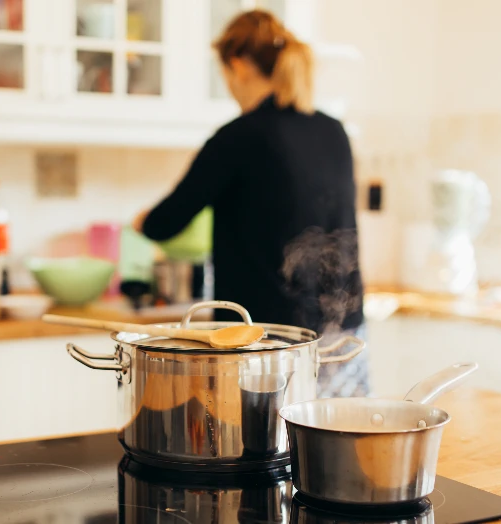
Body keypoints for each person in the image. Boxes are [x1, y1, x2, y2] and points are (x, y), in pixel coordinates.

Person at [133, 10, 367, 398]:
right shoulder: (333, 131)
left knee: (261, 438)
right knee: (336, 435)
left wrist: (141, 221)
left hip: (263, 341)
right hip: (341, 334)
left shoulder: (238, 137)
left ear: (238, 66)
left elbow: (166, 222)